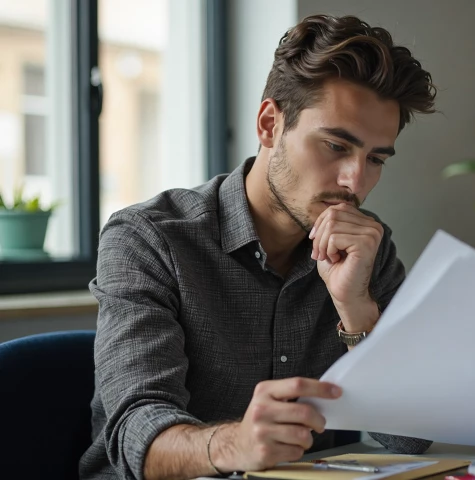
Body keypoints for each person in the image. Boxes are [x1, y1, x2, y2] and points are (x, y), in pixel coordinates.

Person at [80, 13, 437, 480]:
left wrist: (357, 311)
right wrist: (238, 444)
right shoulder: (149, 239)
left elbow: (410, 438)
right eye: (335, 146)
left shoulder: (367, 248)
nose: (356, 181)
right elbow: (135, 434)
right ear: (270, 124)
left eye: (375, 159)